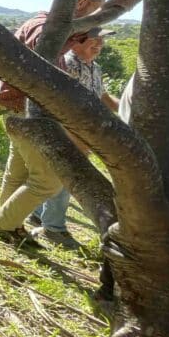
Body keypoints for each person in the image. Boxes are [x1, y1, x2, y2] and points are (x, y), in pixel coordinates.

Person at [0, 0, 108, 247]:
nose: (94, 17)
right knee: (49, 181)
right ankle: (3, 224)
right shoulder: (47, 30)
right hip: (30, 110)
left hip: (17, 106)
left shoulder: (41, 23)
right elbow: (48, 78)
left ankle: (10, 223)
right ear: (82, 4)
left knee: (18, 171)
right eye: (96, 10)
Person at [30, 28, 119, 247]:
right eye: (94, 39)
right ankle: (53, 228)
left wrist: (128, 110)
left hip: (84, 131)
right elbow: (59, 104)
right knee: (66, 176)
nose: (99, 44)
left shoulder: (94, 67)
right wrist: (73, 135)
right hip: (66, 130)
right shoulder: (66, 65)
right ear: (77, 42)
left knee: (56, 177)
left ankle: (38, 212)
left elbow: (103, 96)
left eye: (102, 40)